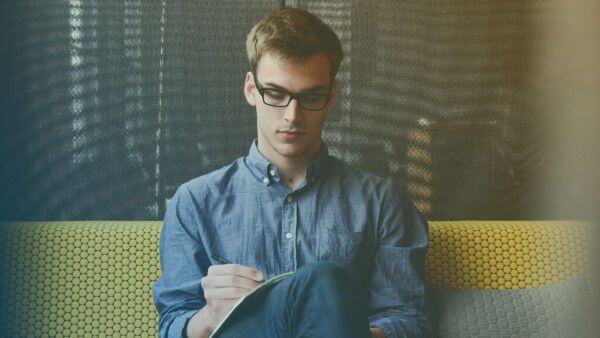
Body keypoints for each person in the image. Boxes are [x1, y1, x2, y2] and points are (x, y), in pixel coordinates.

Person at [152, 8, 431, 338]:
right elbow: (172, 325)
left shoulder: (381, 202)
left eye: (311, 96)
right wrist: (211, 315)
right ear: (251, 90)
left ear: (332, 97)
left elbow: (409, 320)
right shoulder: (196, 201)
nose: (292, 115)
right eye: (276, 94)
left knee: (322, 282)